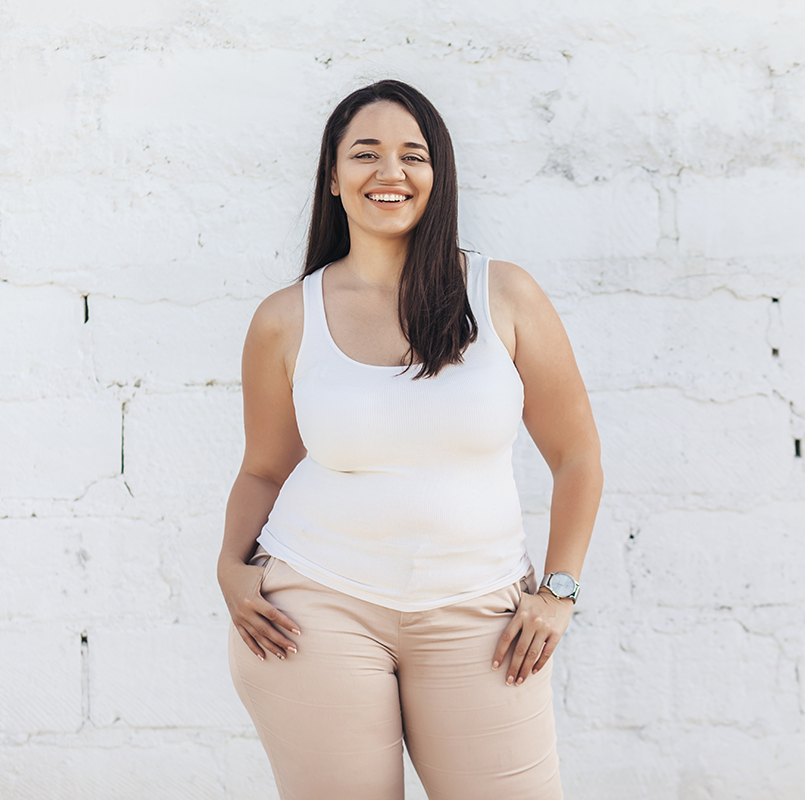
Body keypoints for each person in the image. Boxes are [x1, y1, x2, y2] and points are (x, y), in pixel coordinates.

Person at [217, 79, 603, 800]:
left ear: (438, 174)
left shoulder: (504, 295)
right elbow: (265, 470)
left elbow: (577, 455)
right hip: (313, 612)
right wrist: (228, 567)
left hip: (483, 617)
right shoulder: (285, 319)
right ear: (333, 178)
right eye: (365, 153)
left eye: (412, 155)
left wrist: (559, 591)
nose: (390, 173)